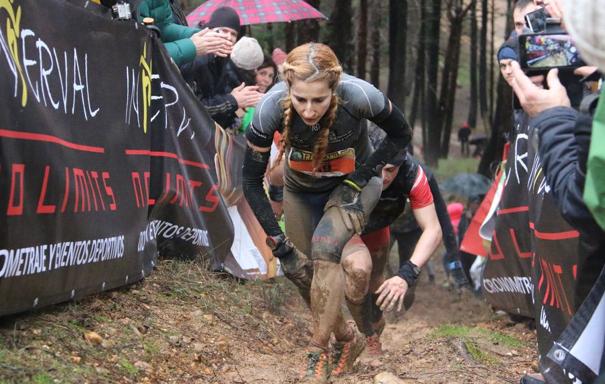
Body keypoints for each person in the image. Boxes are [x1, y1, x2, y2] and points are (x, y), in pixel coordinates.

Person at [242, 43, 412, 382]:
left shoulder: (360, 95)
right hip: (303, 190)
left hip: (354, 185)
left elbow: (401, 134)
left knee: (326, 248)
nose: (308, 110)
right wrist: (275, 239)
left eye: (318, 100)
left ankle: (317, 352)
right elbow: (249, 181)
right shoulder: (268, 110)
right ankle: (348, 340)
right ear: (288, 88)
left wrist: (364, 175)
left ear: (334, 87)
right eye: (300, 99)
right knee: (305, 273)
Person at [357, 153, 444, 355]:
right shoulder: (353, 157)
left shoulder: (415, 174)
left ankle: (390, 315)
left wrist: (407, 274)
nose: (384, 176)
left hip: (406, 228)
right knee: (359, 274)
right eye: (379, 169)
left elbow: (438, 225)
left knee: (393, 276)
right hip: (370, 223)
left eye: (391, 170)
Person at [181, 6, 263, 130]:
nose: (229, 37)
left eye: (233, 34)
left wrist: (237, 101)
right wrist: (233, 100)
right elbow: (193, 109)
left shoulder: (223, 59)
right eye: (224, 30)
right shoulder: (197, 58)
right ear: (210, 30)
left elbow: (217, 100)